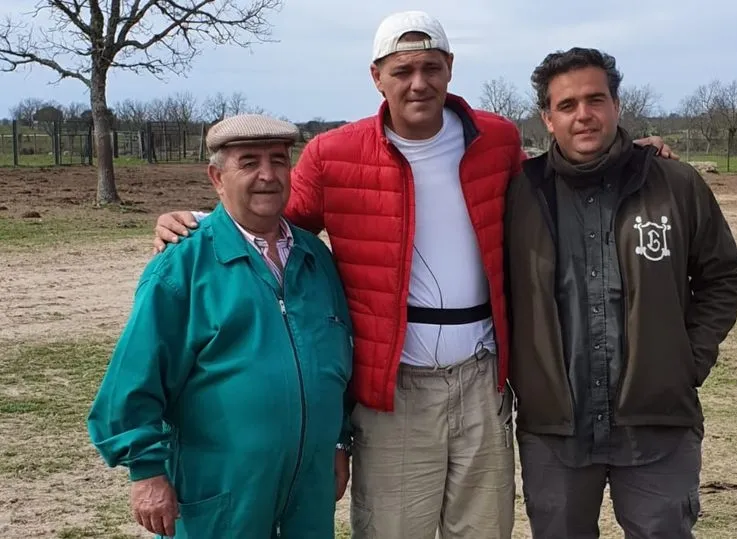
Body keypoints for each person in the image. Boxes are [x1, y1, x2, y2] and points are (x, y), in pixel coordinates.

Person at [149, 11, 675, 538]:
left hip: (482, 379)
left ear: (450, 69)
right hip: (394, 387)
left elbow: (558, 169)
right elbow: (271, 216)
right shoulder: (335, 156)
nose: (418, 83)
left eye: (431, 67)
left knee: (484, 528)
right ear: (377, 77)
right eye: (402, 71)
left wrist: (631, 157)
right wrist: (198, 220)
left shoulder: (494, 139)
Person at [504, 47, 737, 538]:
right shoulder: (517, 195)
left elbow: (723, 275)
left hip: (657, 423)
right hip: (555, 429)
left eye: (596, 99)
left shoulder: (674, 184)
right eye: (567, 105)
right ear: (547, 119)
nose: (584, 115)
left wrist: (688, 359)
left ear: (617, 104)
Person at [87, 114, 354, 538]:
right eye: (248, 163)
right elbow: (134, 377)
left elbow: (338, 361)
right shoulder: (183, 264)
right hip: (221, 490)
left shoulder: (316, 259)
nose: (267, 175)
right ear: (217, 176)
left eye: (279, 161)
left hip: (308, 490)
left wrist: (339, 442)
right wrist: (147, 471)